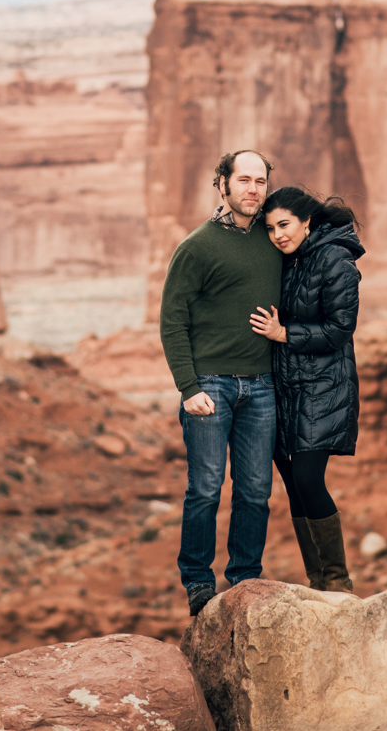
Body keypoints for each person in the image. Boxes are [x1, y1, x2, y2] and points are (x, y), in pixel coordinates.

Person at [158, 148, 284, 616]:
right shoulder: (197, 246)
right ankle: (197, 581)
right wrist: (189, 389)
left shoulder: (274, 239)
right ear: (223, 185)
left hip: (262, 386)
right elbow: (172, 320)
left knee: (255, 490)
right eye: (244, 180)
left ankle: (245, 580)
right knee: (206, 489)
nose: (253, 190)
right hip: (210, 386)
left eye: (260, 182)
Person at [248, 185, 361, 593]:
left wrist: (283, 333)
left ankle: (338, 580)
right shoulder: (287, 260)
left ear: (306, 220)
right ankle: (318, 580)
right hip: (286, 388)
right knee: (295, 484)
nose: (278, 235)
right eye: (270, 228)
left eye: (285, 224)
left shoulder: (336, 260)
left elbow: (338, 329)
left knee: (310, 479)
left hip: (324, 387)